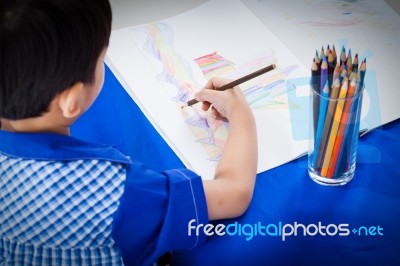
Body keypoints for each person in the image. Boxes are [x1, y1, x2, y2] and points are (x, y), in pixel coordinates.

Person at [0, 0, 257, 265]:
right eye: (102, 59)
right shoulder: (115, 189)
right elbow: (234, 194)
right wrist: (241, 115)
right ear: (72, 100)